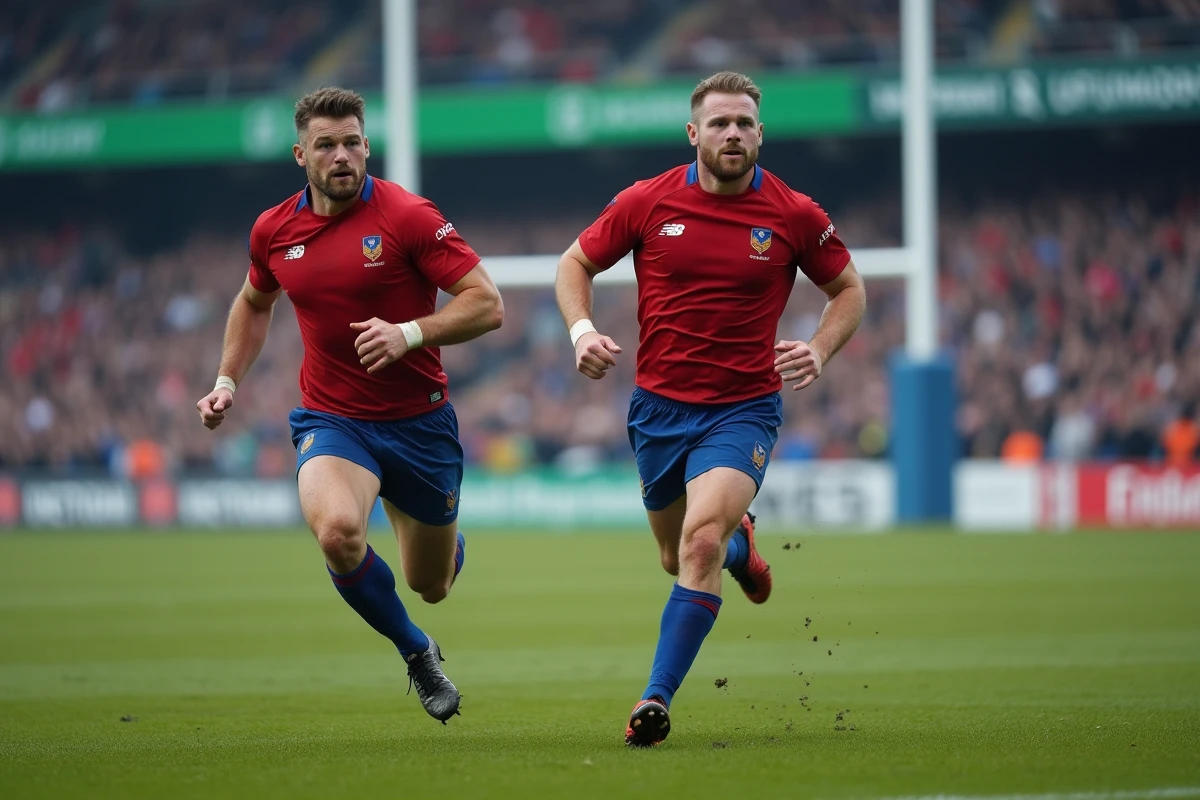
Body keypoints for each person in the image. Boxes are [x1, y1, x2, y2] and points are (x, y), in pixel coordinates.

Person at [554, 71, 866, 747]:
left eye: (744, 124)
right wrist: (582, 331)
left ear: (761, 133)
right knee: (677, 556)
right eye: (720, 123)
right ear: (694, 133)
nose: (733, 134)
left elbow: (848, 290)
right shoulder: (646, 201)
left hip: (742, 410)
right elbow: (574, 263)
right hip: (657, 410)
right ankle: (739, 545)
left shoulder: (793, 214)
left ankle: (655, 700)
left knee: (695, 544)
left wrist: (819, 347)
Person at [195, 87, 503, 723]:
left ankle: (445, 555)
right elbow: (255, 303)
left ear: (367, 145)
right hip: (333, 421)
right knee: (338, 534)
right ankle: (417, 653)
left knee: (432, 585)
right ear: (300, 154)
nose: (343, 155)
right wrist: (228, 379)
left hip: (419, 425)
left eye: (354, 142)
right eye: (327, 145)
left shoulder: (408, 215)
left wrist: (409, 332)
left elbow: (487, 303)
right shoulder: (274, 230)